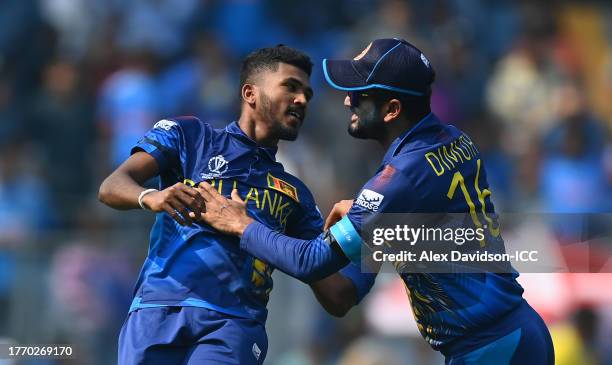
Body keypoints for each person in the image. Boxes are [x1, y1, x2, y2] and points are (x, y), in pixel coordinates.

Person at [196, 38, 555, 364]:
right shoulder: (451, 140)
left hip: (493, 347)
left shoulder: (401, 178)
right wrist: (359, 220)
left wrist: (242, 225)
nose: (347, 99)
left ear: (392, 109)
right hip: (507, 337)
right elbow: (344, 293)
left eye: (360, 94)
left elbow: (312, 262)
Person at [98, 45, 359, 365]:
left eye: (307, 93)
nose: (302, 100)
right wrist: (153, 196)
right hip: (155, 309)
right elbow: (112, 186)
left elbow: (338, 294)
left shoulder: (296, 194)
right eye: (290, 87)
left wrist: (365, 233)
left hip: (232, 324)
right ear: (250, 93)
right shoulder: (190, 136)